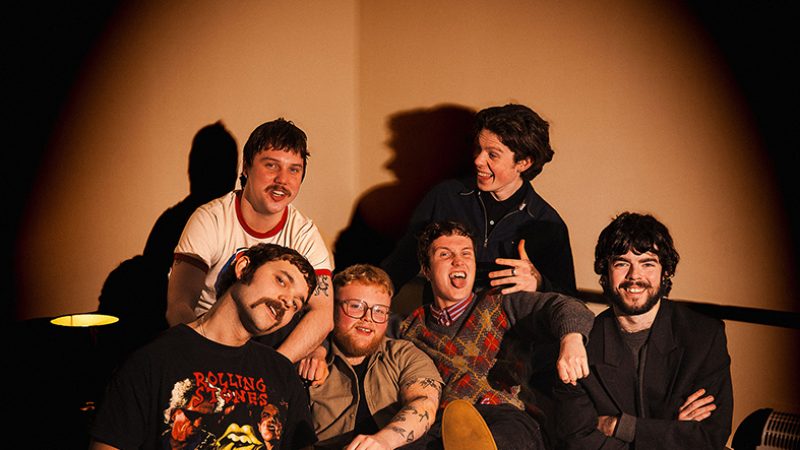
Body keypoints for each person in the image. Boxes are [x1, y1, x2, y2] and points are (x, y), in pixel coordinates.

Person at [89, 243, 319, 450]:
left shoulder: (282, 372)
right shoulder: (154, 359)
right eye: (281, 280)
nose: (288, 301)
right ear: (243, 268)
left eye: (297, 304)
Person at [394, 220, 594, 449]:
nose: (458, 260)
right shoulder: (410, 329)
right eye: (445, 254)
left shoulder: (500, 302)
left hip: (505, 415)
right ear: (426, 269)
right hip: (442, 423)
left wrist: (572, 339)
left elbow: (567, 307)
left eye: (466, 253)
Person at [554, 212, 733, 449]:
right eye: (621, 263)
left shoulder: (704, 336)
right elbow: (577, 442)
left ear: (665, 271)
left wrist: (620, 426)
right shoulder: (579, 345)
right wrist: (668, 430)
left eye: (647, 263)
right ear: (605, 272)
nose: (634, 276)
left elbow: (709, 438)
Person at [166, 118, 334, 363]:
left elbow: (323, 315)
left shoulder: (304, 233)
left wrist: (273, 369)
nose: (282, 180)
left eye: (293, 170)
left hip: (268, 346)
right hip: (209, 340)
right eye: (271, 166)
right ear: (246, 167)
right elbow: (179, 305)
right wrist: (208, 356)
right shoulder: (210, 219)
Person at [382, 103, 576, 297]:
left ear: (524, 162)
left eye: (492, 154)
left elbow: (570, 301)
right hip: (438, 324)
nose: (478, 160)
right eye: (478, 149)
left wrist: (539, 283)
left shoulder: (548, 224)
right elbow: (401, 263)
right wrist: (370, 301)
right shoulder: (445, 196)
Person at [306, 264, 443, 450]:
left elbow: (425, 403)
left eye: (379, 310)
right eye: (356, 306)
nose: (368, 318)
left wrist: (384, 442)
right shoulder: (309, 358)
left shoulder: (403, 354)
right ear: (332, 308)